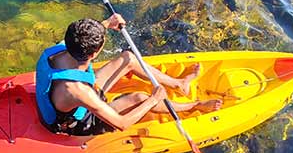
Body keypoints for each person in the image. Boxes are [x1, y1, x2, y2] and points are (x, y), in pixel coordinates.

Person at [35, 14, 222, 135]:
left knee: (128, 58)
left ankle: (178, 84)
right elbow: (121, 124)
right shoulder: (78, 91)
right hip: (77, 121)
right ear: (93, 54)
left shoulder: (62, 48)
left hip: (69, 91)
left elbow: (82, 39)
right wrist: (153, 99)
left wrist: (107, 24)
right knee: (140, 98)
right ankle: (194, 106)